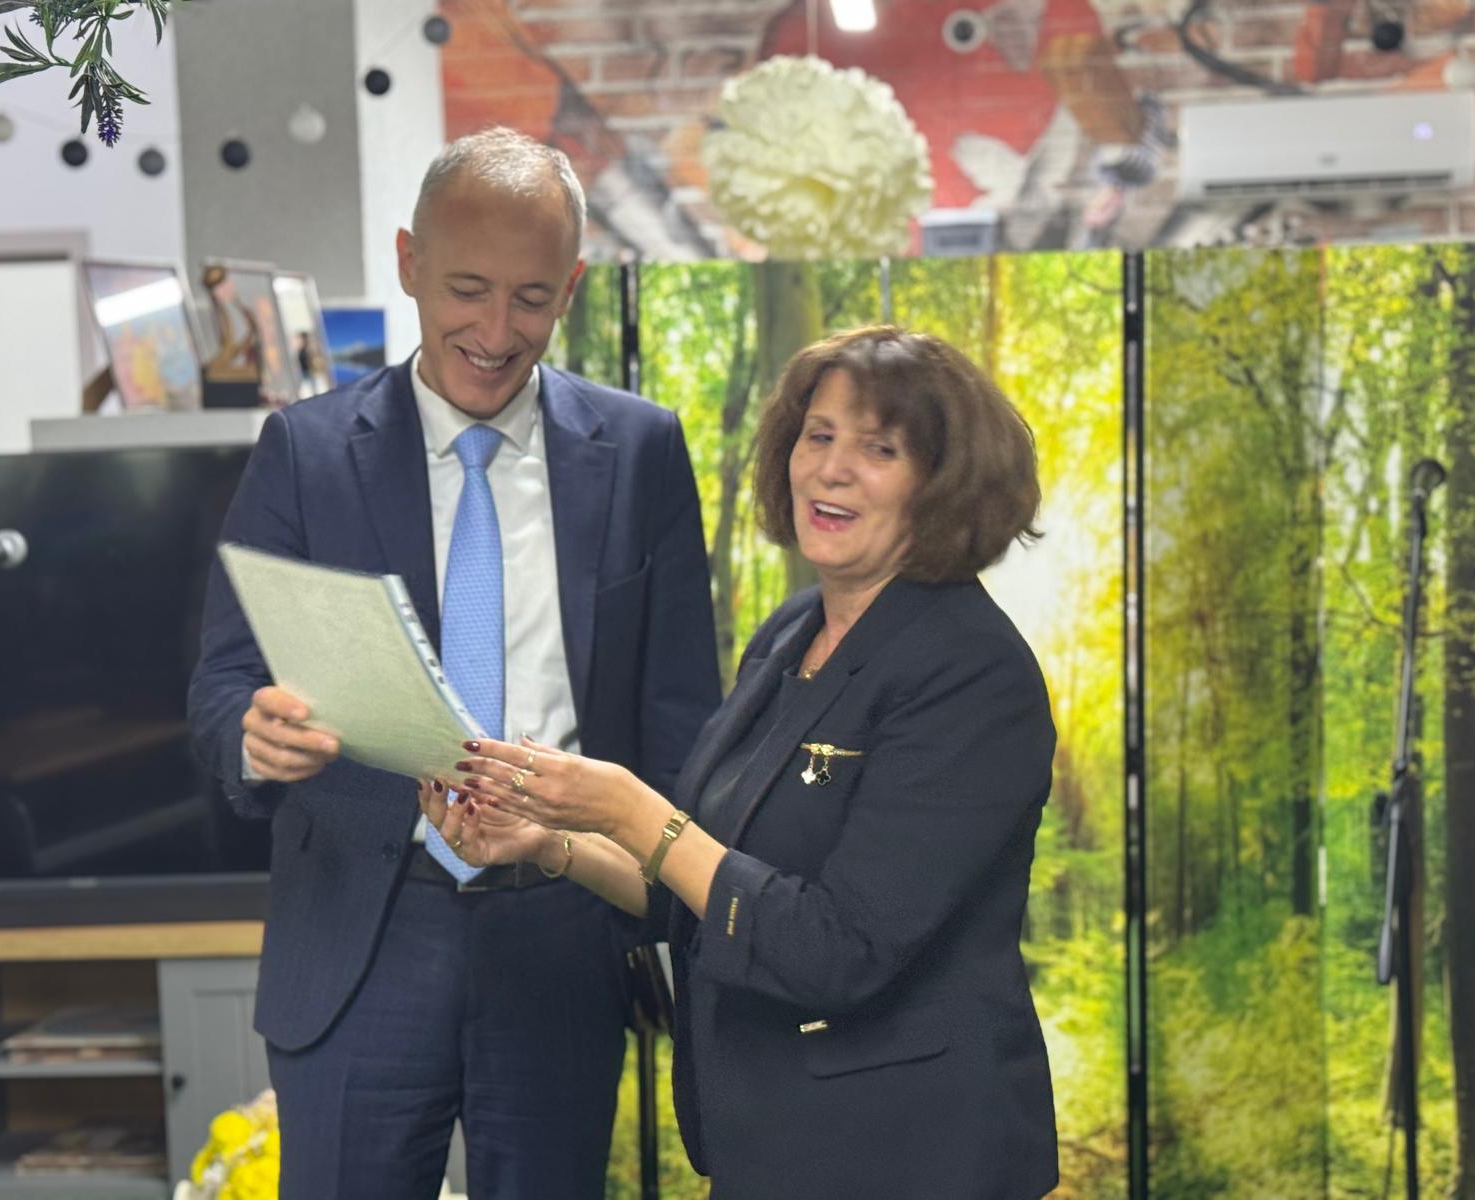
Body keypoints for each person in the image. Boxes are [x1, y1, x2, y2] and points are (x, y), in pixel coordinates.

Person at [187, 127, 721, 1198]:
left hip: (563, 929)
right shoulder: (306, 452)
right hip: (360, 935)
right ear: (408, 263)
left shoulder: (641, 452)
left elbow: (680, 718)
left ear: (573, 287)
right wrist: (255, 737)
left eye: (531, 299)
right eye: (466, 290)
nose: (494, 331)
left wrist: (665, 900)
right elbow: (219, 690)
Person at [426, 325, 1060, 1199]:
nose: (831, 469)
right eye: (818, 435)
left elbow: (840, 949)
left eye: (878, 449)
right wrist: (550, 842)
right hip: (769, 1143)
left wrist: (631, 809)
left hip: (907, 1155)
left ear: (946, 482)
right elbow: (702, 881)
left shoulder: (971, 674)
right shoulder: (792, 633)